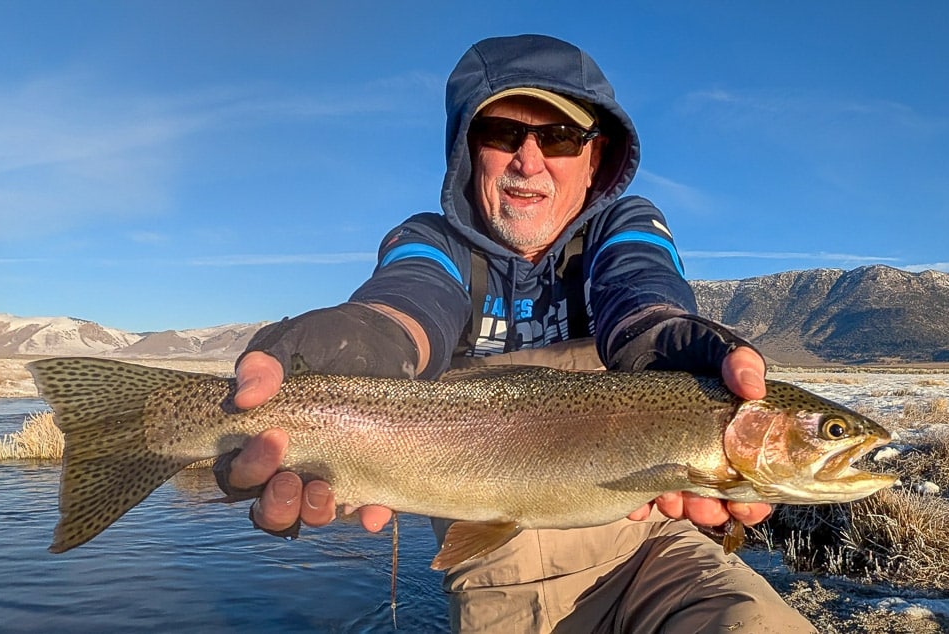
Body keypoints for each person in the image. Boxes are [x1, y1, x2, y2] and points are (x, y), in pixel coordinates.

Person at [224, 34, 816, 633]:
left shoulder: (622, 226)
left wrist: (663, 339)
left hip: (653, 553)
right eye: (503, 133)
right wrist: (355, 343)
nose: (528, 161)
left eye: (559, 137)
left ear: (594, 157)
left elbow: (640, 294)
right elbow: (407, 307)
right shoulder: (433, 243)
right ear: (467, 150)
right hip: (495, 578)